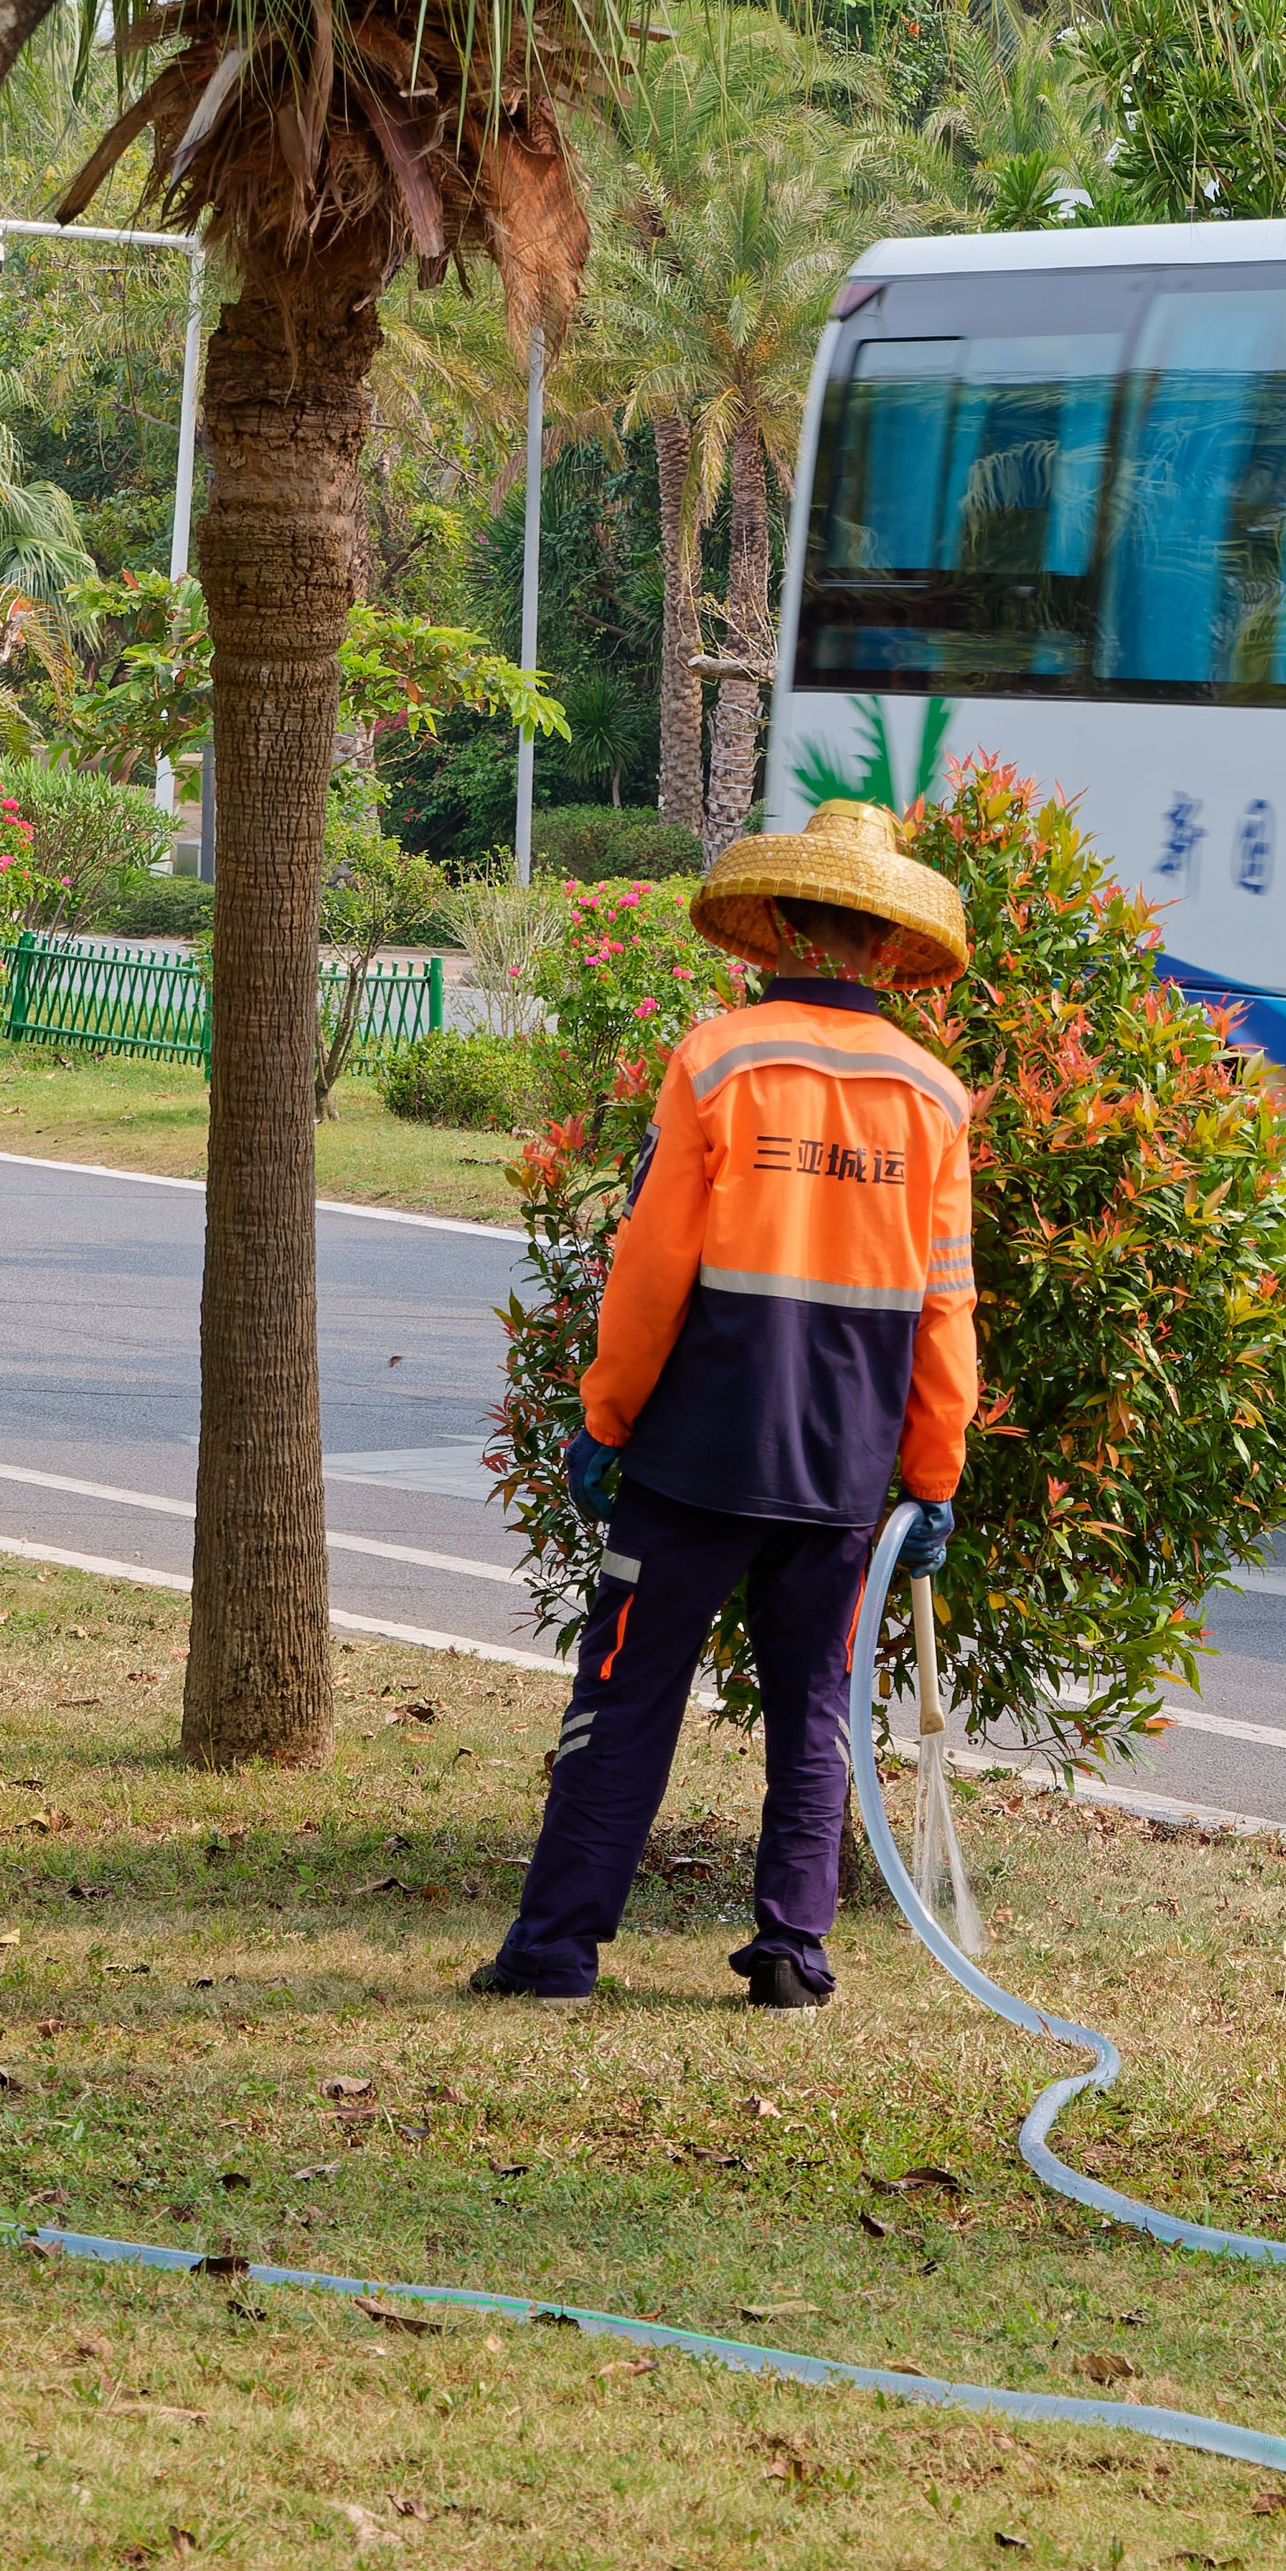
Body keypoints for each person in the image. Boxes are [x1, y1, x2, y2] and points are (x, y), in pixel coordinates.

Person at [472, 798, 978, 2008]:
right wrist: (934, 1470)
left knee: (626, 1691)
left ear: (781, 928)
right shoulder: (933, 1095)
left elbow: (651, 1270)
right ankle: (793, 1956)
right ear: (879, 942)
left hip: (696, 1452)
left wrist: (606, 1418)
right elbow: (946, 1307)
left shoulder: (717, 1060)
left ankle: (555, 1951)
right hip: (845, 1469)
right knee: (816, 1710)